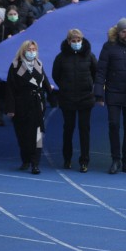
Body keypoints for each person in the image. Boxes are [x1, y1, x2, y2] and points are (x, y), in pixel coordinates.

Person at [94, 18, 126, 174]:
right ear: (118, 32)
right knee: (114, 125)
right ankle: (115, 159)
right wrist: (99, 93)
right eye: (124, 31)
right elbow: (101, 70)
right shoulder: (109, 47)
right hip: (114, 92)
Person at [52, 29, 97, 173]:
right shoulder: (61, 57)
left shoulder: (89, 56)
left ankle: (84, 161)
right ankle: (67, 158)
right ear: (68, 41)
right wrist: (65, 87)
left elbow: (95, 73)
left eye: (78, 41)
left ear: (82, 41)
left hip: (85, 98)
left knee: (85, 130)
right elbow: (55, 75)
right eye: (73, 41)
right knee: (68, 129)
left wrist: (89, 86)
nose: (76, 43)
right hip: (67, 99)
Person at [6, 40, 53, 174]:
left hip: (37, 105)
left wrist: (52, 96)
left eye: (34, 49)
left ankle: (35, 163)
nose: (32, 52)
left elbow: (45, 82)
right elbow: (10, 88)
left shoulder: (39, 64)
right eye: (29, 49)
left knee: (37, 136)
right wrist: (11, 109)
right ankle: (26, 159)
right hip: (22, 105)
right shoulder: (15, 66)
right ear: (23, 51)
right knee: (23, 136)